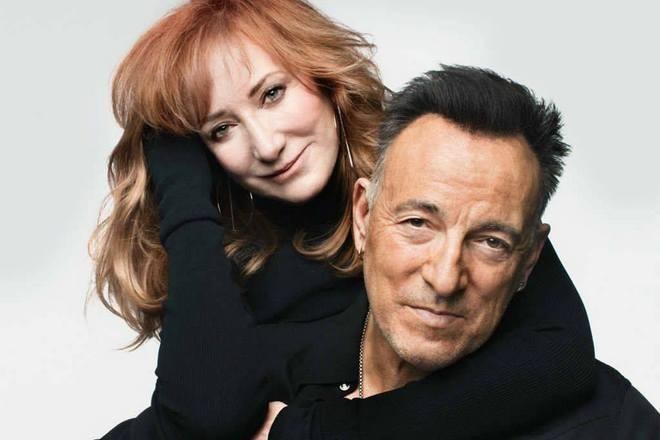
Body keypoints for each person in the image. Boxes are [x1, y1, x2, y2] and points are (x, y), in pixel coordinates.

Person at [93, 1, 593, 438]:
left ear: (322, 73)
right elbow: (206, 416)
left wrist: (322, 430)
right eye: (221, 129)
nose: (267, 145)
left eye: (272, 94)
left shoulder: (427, 170)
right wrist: (180, 186)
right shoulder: (221, 262)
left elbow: (563, 357)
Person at [265, 66, 660, 439]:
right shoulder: (268, 376)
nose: (444, 278)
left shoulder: (616, 427)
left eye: (491, 242)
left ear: (530, 259)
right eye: (417, 223)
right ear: (363, 216)